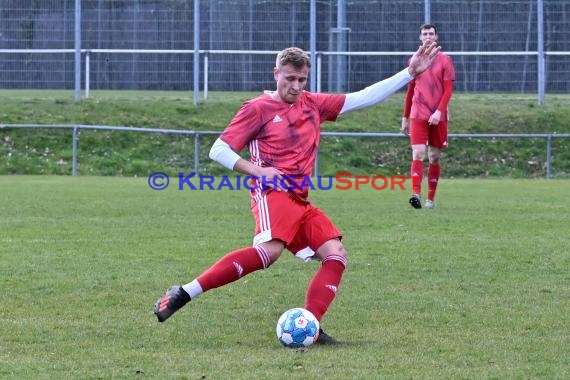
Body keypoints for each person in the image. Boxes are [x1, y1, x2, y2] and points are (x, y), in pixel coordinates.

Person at [154, 44, 440, 344]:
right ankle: (184, 292)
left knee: (336, 254)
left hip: (301, 200)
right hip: (271, 192)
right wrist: (257, 170)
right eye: (289, 78)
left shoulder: (312, 104)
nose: (295, 86)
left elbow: (363, 98)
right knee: (269, 252)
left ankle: (310, 325)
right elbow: (218, 149)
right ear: (276, 73)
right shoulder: (257, 109)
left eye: (301, 80)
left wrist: (409, 73)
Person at [401, 24, 455, 209]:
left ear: (436, 37)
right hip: (418, 113)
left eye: (431, 33)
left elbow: (448, 90)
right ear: (419, 37)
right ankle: (415, 194)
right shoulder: (413, 61)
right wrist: (405, 117)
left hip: (438, 115)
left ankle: (430, 199)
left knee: (434, 156)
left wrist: (439, 111)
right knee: (418, 153)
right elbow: (409, 91)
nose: (428, 37)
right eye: (424, 34)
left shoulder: (445, 60)